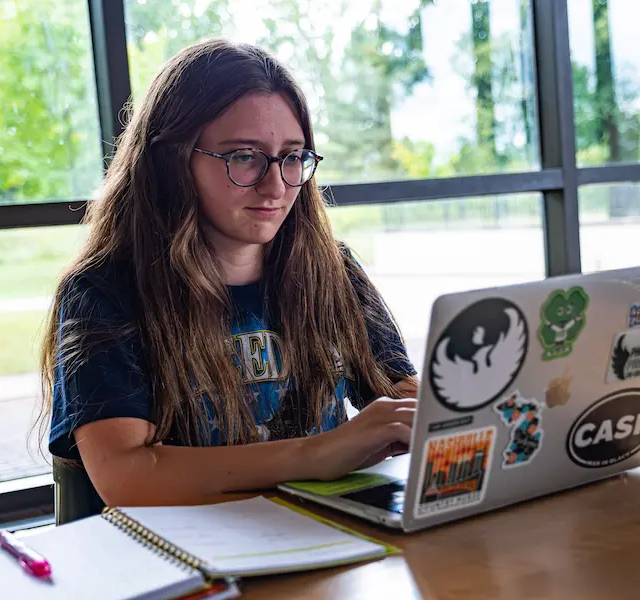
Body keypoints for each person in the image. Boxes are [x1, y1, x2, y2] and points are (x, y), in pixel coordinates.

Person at [36, 39, 420, 509]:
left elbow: (403, 402)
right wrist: (318, 454)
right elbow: (126, 475)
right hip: (179, 564)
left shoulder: (334, 271)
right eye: (244, 156)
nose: (276, 185)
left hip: (320, 539)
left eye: (293, 156)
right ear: (171, 160)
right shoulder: (104, 291)